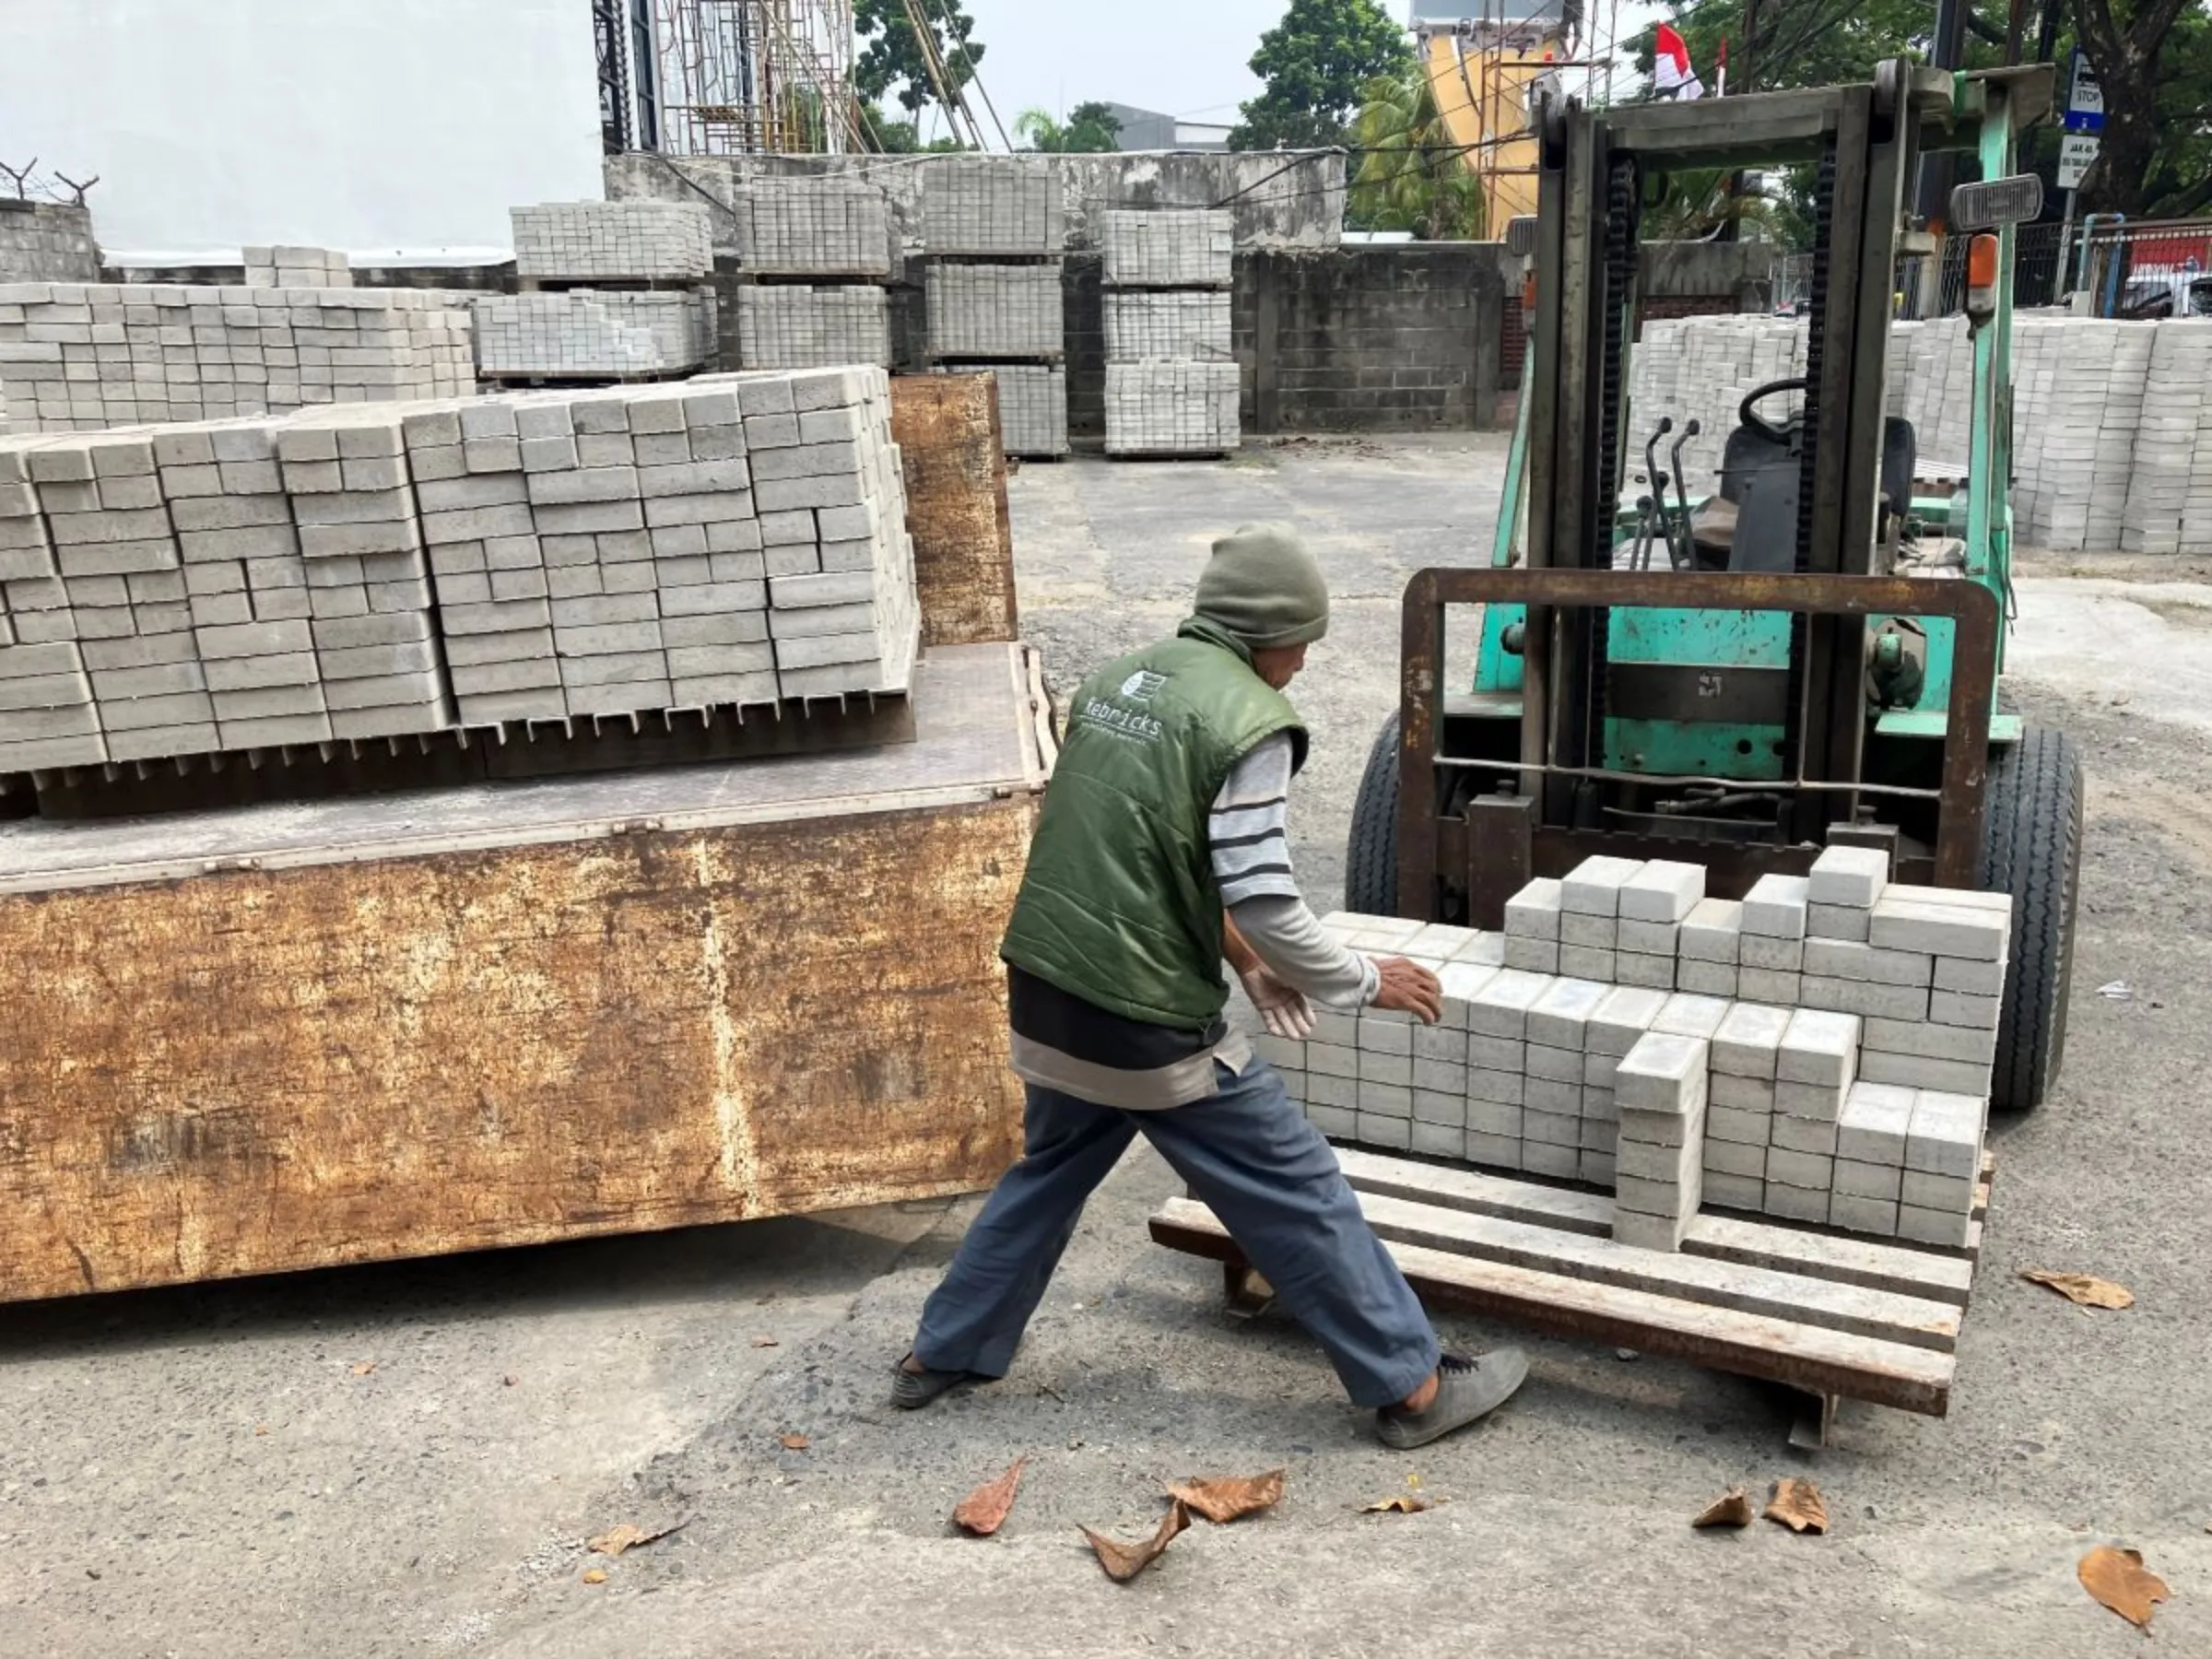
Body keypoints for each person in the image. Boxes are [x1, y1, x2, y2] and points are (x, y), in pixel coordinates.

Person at [892, 523, 1527, 1449]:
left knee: (1052, 1169)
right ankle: (1412, 1387)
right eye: (1305, 641)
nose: (1306, 662)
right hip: (1141, 1016)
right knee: (1293, 1182)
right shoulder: (1249, 723)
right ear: (1270, 636)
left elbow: (1155, 856)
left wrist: (1248, 966)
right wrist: (1359, 981)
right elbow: (1266, 895)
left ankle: (943, 1352)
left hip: (1047, 981)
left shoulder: (1119, 682)